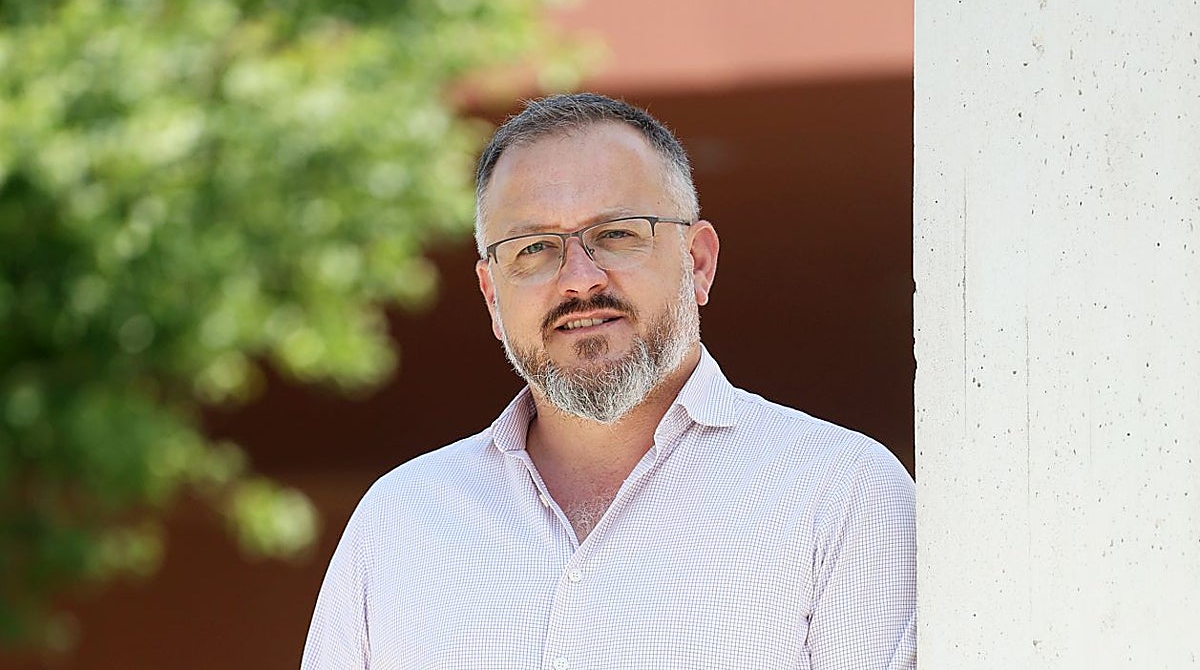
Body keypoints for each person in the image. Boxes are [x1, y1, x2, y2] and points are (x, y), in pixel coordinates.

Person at [301, 93, 916, 669]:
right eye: (533, 248)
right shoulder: (400, 520)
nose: (578, 279)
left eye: (616, 235)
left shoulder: (842, 494)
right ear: (491, 296)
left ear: (697, 262)